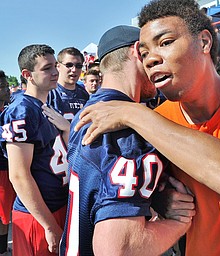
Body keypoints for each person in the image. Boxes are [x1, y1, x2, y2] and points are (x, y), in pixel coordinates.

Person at [74, 0, 220, 255]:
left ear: (204, 42)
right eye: (144, 54)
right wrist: (160, 199)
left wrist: (133, 113)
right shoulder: (157, 119)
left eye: (165, 43)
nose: (152, 59)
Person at [59, 25, 194, 256]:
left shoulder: (93, 110)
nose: (158, 63)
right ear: (136, 51)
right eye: (151, 54)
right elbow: (120, 249)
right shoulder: (124, 129)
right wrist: (180, 223)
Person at [0, 44, 70, 255]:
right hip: (39, 215)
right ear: (27, 74)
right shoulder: (21, 110)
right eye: (47, 68)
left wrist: (67, 129)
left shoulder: (47, 105)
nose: (55, 72)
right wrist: (48, 225)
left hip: (58, 204)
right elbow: (19, 175)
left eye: (55, 66)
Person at [47, 47, 89, 122]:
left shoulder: (84, 94)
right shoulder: (50, 93)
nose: (74, 70)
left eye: (78, 66)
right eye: (69, 65)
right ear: (58, 66)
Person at [0, 70, 13, 256]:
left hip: (7, 167)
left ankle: (2, 247)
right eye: (2, 87)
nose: (7, 89)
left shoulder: (6, 111)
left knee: (5, 213)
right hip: (2, 169)